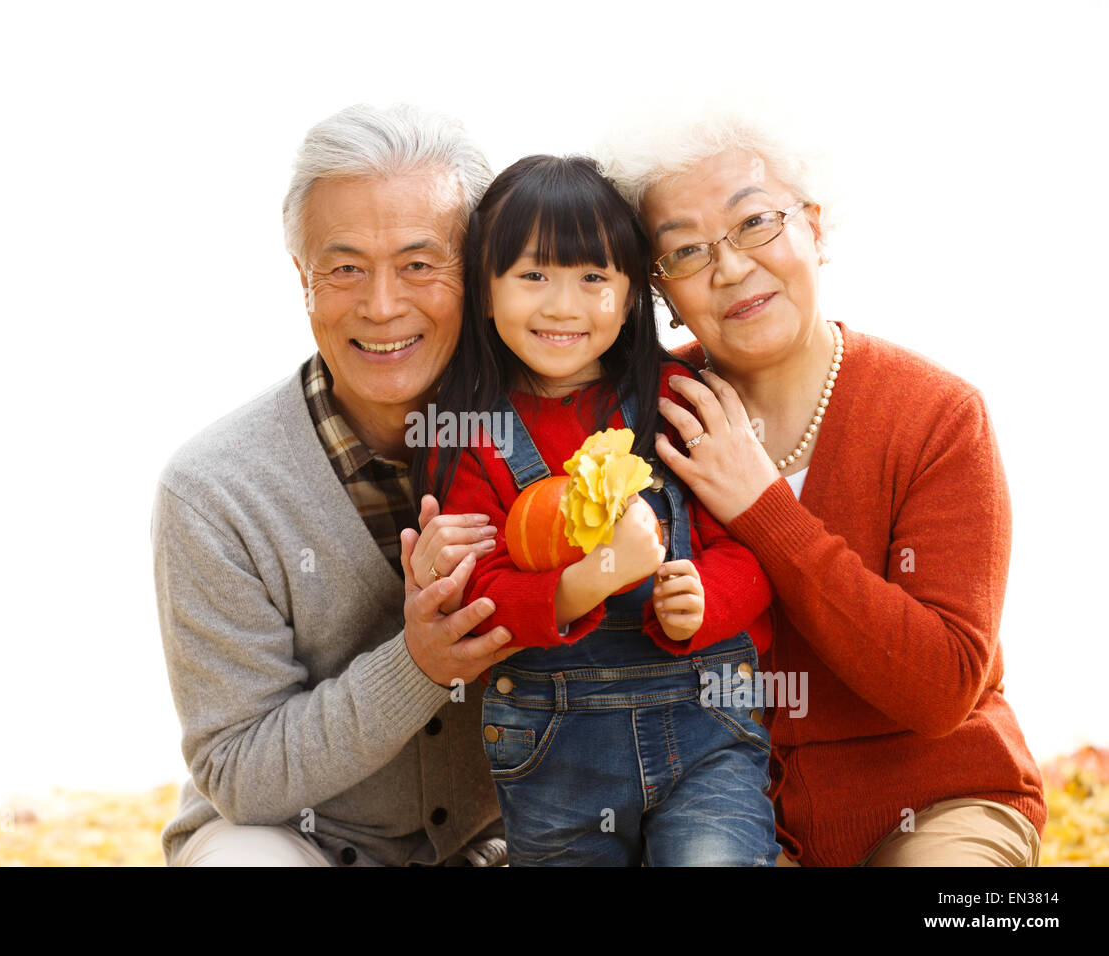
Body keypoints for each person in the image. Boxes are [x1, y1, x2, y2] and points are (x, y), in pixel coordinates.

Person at [600, 110, 1046, 865]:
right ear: (661, 289)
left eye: (755, 223)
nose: (732, 268)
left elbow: (941, 690)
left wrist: (763, 511)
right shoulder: (642, 420)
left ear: (814, 226)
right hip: (725, 817)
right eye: (686, 251)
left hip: (941, 801)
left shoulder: (937, 415)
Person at [152, 103, 519, 867]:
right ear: (303, 280)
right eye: (344, 266)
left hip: (510, 840)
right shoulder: (214, 490)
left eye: (421, 264)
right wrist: (420, 664)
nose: (381, 305)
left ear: (480, 270)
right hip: (297, 841)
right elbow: (240, 774)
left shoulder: (549, 437)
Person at [414, 154, 779, 866]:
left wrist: (704, 597)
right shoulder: (466, 431)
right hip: (555, 755)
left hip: (705, 730)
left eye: (592, 278)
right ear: (484, 292)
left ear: (631, 294)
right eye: (532, 276)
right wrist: (596, 575)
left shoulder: (679, 399)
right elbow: (478, 593)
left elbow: (752, 543)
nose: (562, 305)